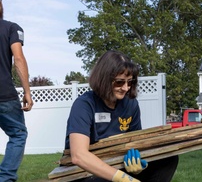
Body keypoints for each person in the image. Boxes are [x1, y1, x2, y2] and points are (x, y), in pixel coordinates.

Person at [64, 50, 178, 182]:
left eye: (129, 82)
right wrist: (123, 178)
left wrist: (138, 163)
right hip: (84, 173)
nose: (125, 88)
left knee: (168, 159)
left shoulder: (131, 104)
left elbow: (135, 142)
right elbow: (79, 155)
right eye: (119, 82)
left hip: (117, 164)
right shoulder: (84, 105)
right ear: (104, 79)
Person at [0, 0, 34, 181]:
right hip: (4, 95)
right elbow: (18, 59)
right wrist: (27, 92)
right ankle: (5, 178)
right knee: (18, 134)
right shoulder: (12, 28)